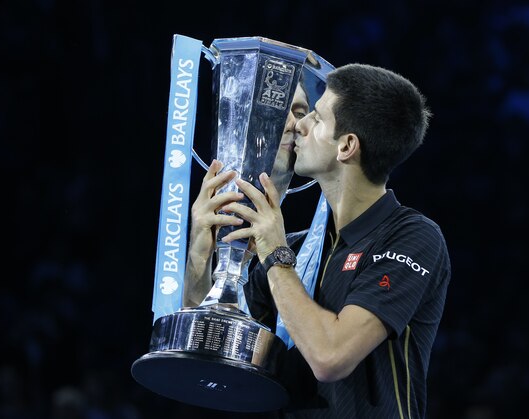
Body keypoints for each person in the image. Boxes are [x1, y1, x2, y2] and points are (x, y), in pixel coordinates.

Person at [184, 63, 451, 419]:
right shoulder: (294, 251)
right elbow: (214, 350)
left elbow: (331, 357)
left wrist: (273, 253)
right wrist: (199, 255)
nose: (300, 125)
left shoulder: (410, 236)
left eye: (317, 117)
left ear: (346, 146)